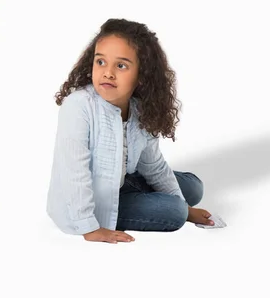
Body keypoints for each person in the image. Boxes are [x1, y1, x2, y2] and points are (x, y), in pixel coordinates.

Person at [47, 18, 215, 244]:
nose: (107, 73)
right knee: (174, 212)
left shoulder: (139, 109)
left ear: (141, 75)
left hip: (122, 180)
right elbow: (74, 174)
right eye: (100, 62)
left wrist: (186, 205)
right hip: (91, 199)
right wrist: (89, 227)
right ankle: (135, 207)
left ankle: (155, 200)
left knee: (193, 188)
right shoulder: (79, 107)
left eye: (121, 66)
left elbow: (154, 166)